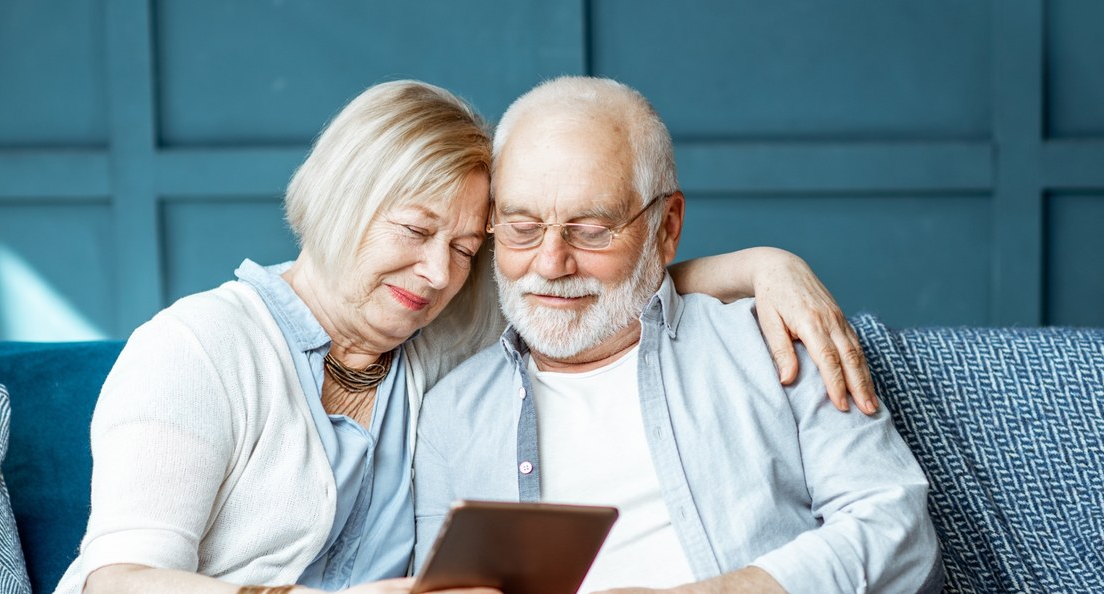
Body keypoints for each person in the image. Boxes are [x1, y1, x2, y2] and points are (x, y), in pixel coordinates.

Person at [56, 80, 873, 594]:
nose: (437, 273)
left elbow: (583, 287)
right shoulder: (197, 348)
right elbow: (115, 577)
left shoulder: (429, 339)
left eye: (466, 247)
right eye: (412, 230)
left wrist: (761, 266)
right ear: (340, 201)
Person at [414, 77, 943, 593]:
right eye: (522, 228)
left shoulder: (774, 342)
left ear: (666, 228)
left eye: (593, 231)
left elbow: (898, 533)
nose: (550, 264)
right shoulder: (450, 415)